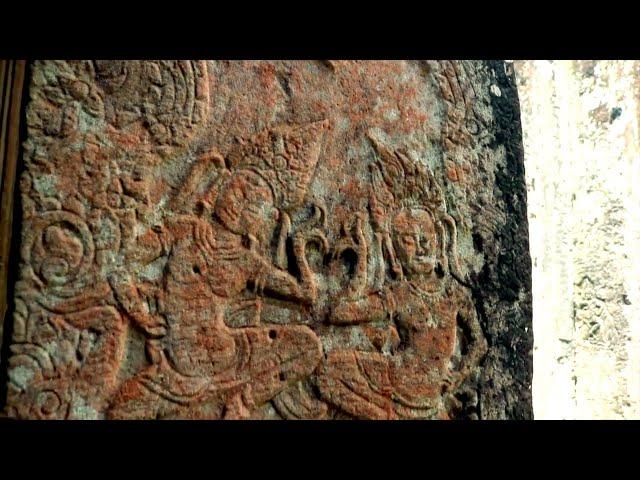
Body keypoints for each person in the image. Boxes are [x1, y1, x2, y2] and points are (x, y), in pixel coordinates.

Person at [108, 121, 329, 419]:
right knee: (119, 411)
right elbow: (123, 262)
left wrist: (298, 249)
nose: (241, 205)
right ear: (222, 184)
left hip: (226, 358)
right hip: (174, 365)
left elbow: (305, 293)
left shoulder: (247, 261)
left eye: (255, 204)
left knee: (308, 345)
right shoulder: (184, 230)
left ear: (266, 220)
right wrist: (138, 310)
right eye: (240, 191)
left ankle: (242, 404)